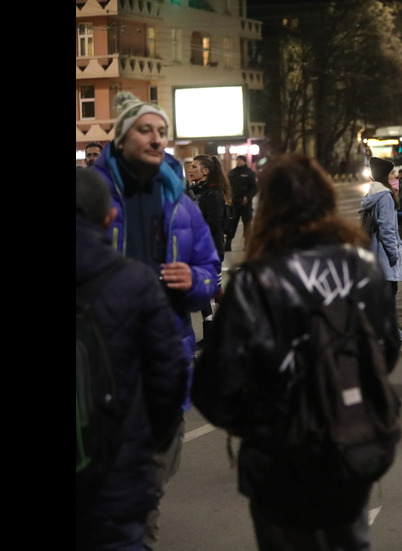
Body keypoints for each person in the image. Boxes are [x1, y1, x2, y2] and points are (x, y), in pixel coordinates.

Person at [193, 153, 401, 551]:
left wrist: (251, 425)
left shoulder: (255, 280)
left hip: (278, 454)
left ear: (268, 208)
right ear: (325, 200)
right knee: (348, 538)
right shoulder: (360, 266)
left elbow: (214, 383)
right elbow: (385, 351)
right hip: (349, 439)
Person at [90, 91, 221, 549]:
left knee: (150, 488)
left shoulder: (180, 204)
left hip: (164, 363)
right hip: (100, 366)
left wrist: (195, 281)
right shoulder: (91, 199)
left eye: (161, 132)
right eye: (145, 130)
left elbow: (211, 271)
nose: (156, 138)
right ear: (122, 136)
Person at [75, 169, 188, 551]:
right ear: (109, 217)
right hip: (117, 470)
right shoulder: (135, 282)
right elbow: (169, 376)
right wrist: (145, 444)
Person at [362, 156, 402, 342]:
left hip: (373, 250)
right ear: (384, 176)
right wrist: (394, 253)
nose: (395, 176)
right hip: (383, 252)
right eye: (392, 173)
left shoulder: (371, 195)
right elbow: (387, 228)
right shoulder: (385, 197)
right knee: (389, 292)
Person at [187, 154, 232, 348]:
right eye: (190, 166)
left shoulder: (212, 195)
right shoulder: (198, 192)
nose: (190, 170)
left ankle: (219, 332)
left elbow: (214, 224)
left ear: (206, 171)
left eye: (195, 167)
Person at [225, 155, 258, 252]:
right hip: (234, 203)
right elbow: (227, 186)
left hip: (245, 204)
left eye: (241, 160)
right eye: (237, 160)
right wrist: (228, 196)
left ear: (244, 161)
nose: (239, 162)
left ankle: (248, 243)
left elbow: (254, 188)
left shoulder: (250, 173)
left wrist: (248, 197)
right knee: (232, 224)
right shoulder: (232, 173)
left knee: (247, 224)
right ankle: (228, 244)